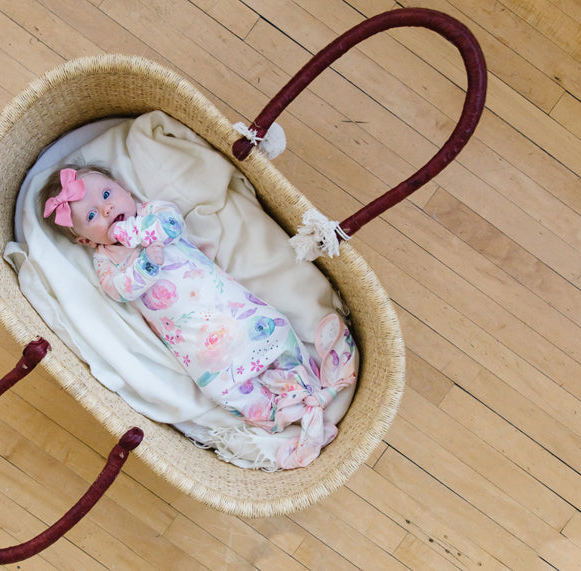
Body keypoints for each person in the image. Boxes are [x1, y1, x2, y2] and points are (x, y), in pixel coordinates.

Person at [40, 165, 358, 469]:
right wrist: (145, 264)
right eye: (92, 215)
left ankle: (310, 388)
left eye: (107, 195)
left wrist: (135, 232)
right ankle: (288, 414)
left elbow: (171, 226)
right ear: (86, 240)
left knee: (277, 331)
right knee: (223, 389)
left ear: (123, 189)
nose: (106, 209)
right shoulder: (106, 261)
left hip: (236, 312)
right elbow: (119, 290)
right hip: (202, 349)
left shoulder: (152, 213)